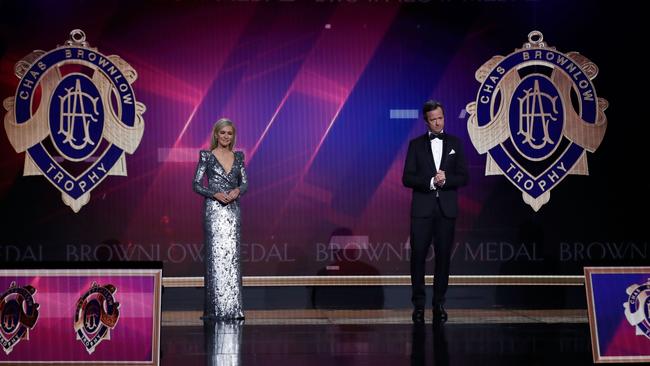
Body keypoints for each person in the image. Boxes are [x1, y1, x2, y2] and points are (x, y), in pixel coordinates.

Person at [402, 100, 468, 323]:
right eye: (433, 119)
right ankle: (418, 306)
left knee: (443, 260)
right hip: (422, 211)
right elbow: (407, 178)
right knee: (418, 257)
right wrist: (431, 182)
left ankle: (439, 304)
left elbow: (464, 176)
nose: (438, 122)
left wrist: (446, 179)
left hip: (446, 211)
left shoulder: (456, 143)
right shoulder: (415, 145)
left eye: (440, 117)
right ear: (426, 121)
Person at [193, 118, 248, 320]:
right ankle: (215, 310)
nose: (226, 136)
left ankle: (233, 310)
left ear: (233, 136)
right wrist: (214, 194)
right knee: (215, 259)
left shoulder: (239, 157)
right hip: (214, 211)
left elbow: (245, 183)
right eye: (222, 133)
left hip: (232, 211)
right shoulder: (206, 156)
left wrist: (237, 191)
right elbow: (196, 184)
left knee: (231, 258)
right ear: (216, 134)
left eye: (229, 133)